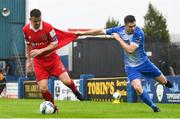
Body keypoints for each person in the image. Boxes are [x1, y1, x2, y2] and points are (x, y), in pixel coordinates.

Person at [76, 15, 173, 112]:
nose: (133, 28)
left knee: (164, 82)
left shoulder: (139, 33)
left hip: (145, 63)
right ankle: (154, 107)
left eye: (134, 25)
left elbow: (130, 50)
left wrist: (118, 39)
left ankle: (166, 83)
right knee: (137, 88)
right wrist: (82, 33)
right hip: (131, 67)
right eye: (131, 26)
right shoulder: (118, 30)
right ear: (125, 25)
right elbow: (100, 31)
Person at [23, 9, 83, 113]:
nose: (37, 23)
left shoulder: (48, 27)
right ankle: (54, 109)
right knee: (43, 88)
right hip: (39, 62)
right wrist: (28, 60)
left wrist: (41, 50)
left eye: (39, 20)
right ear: (30, 20)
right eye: (35, 21)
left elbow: (55, 44)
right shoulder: (25, 29)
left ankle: (75, 91)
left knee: (67, 81)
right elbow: (28, 45)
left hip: (53, 60)